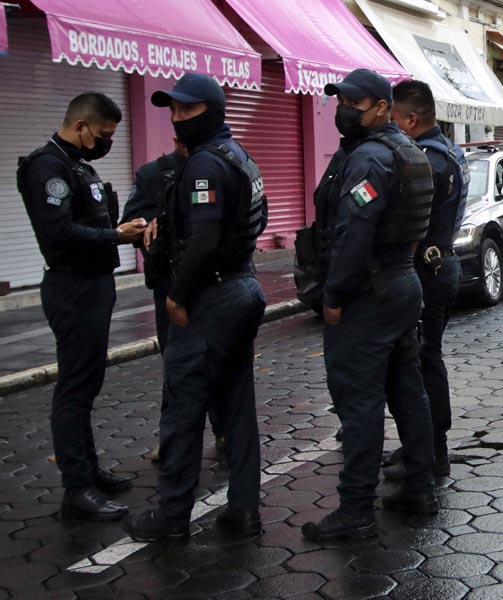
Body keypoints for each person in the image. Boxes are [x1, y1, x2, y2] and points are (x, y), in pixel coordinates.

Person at [122, 73, 267, 542]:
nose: (178, 118)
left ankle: (171, 517)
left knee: (183, 411)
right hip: (242, 286)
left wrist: (177, 295)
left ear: (213, 111)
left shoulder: (205, 164)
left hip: (214, 296)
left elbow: (203, 236)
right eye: (174, 110)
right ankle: (243, 509)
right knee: (236, 405)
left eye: (188, 110)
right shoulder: (238, 156)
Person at [300, 68, 436, 541]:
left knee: (358, 401)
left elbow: (354, 234)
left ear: (381, 107)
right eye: (340, 102)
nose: (343, 111)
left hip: (369, 292)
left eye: (354, 104)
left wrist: (333, 295)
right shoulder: (405, 149)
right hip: (400, 283)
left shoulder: (371, 159)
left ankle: (356, 509)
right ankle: (420, 487)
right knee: (406, 389)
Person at [17, 93, 147, 520]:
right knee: (74, 389)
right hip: (72, 288)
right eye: (104, 134)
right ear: (80, 127)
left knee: (86, 385)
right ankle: (76, 489)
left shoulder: (77, 165)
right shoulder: (47, 166)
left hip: (94, 285)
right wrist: (117, 236)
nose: (108, 141)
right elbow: (58, 235)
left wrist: (117, 229)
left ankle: (88, 471)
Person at [120, 139, 224, 463]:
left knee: (219, 360)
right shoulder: (154, 174)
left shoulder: (217, 165)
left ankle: (224, 432)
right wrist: (146, 224)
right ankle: (173, 438)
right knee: (176, 363)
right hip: (171, 284)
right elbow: (131, 221)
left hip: (215, 283)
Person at [385, 79, 469, 480]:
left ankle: (433, 450)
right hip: (440, 263)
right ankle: (420, 445)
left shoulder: (429, 160)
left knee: (422, 361)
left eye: (395, 119)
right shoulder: (447, 150)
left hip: (427, 268)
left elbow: (411, 223)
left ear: (411, 118)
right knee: (420, 359)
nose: (392, 126)